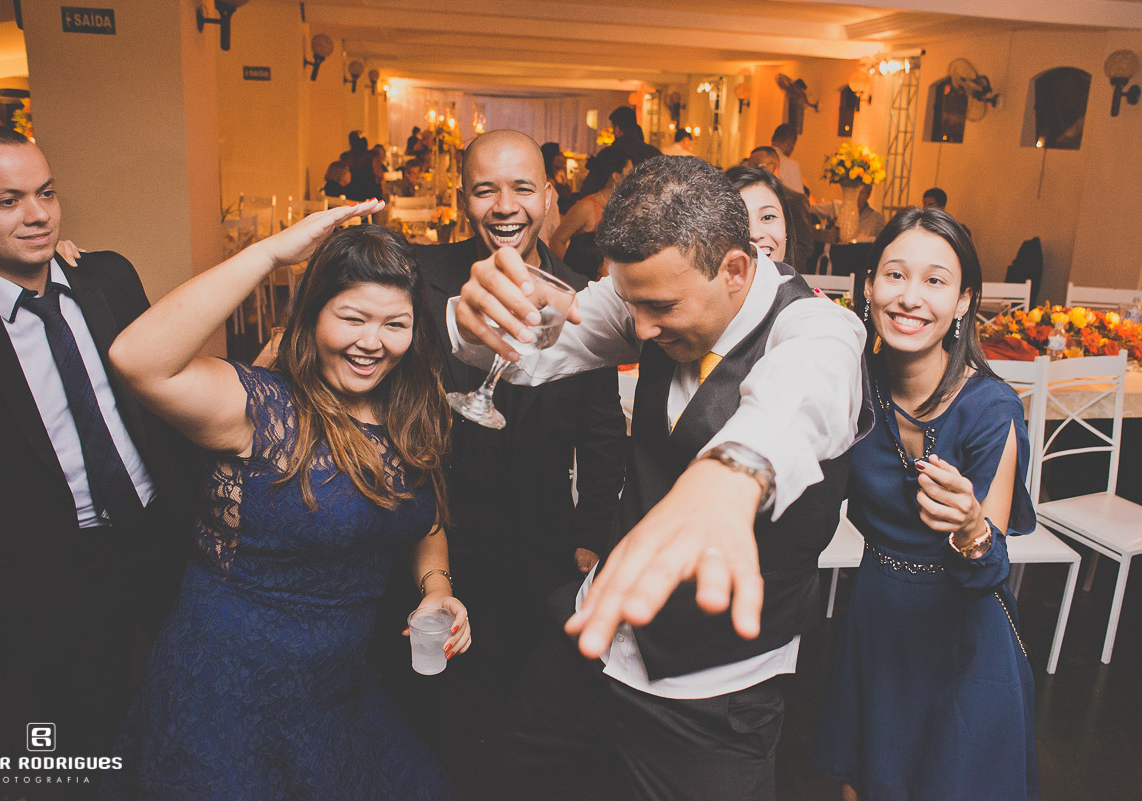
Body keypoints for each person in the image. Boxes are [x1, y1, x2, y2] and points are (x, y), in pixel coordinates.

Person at [452, 155, 867, 801]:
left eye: (661, 307)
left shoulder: (815, 328)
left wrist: (733, 472)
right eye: (632, 302)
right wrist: (472, 320)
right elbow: (534, 352)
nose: (640, 328)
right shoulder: (648, 296)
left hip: (711, 695)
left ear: (734, 268)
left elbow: (805, 393)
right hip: (591, 641)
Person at [101, 205, 471, 800]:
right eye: (352, 318)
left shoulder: (410, 408)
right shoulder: (261, 409)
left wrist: (436, 588)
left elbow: (420, 514)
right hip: (227, 688)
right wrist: (271, 253)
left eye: (394, 324)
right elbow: (136, 359)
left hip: (336, 686)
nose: (371, 344)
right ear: (312, 314)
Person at [0, 123, 193, 798]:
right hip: (47, 570)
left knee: (190, 695)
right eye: (8, 200)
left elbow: (163, 397)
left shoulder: (106, 276)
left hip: (159, 529)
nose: (38, 215)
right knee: (80, 736)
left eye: (46, 193)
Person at [380, 129, 626, 793]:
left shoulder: (583, 302)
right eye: (486, 188)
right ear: (464, 199)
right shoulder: (420, 276)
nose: (504, 204)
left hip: (539, 542)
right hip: (430, 531)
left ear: (550, 198)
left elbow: (605, 436)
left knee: (522, 713)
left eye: (522, 187)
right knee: (429, 703)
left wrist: (588, 538)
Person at [813, 207, 1038, 801]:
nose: (911, 297)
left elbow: (989, 571)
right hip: (877, 618)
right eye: (895, 276)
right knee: (865, 782)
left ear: (963, 302)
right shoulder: (850, 381)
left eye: (935, 281)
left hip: (964, 642)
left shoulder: (992, 410)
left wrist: (969, 527)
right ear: (869, 287)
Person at [549, 145, 631, 267]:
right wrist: (575, 274)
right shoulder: (586, 207)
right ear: (616, 177)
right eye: (629, 173)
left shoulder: (626, 208)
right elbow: (556, 241)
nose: (633, 179)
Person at [725, 162, 812, 274]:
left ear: (786, 227)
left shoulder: (798, 291)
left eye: (768, 217)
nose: (755, 234)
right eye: (739, 220)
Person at [771, 123, 804, 195]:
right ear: (789, 143)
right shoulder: (791, 165)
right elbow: (799, 198)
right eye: (793, 145)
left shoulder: (757, 157)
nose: (792, 149)